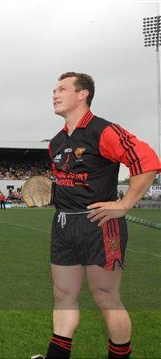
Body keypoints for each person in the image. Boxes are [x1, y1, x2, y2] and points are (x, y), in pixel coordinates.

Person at [35, 72, 160, 359]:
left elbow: (148, 161)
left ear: (83, 94)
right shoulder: (55, 142)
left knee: (106, 299)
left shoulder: (104, 131)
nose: (55, 94)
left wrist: (126, 203)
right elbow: (71, 181)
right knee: (63, 296)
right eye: (54, 89)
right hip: (63, 225)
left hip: (99, 225)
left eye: (62, 89)